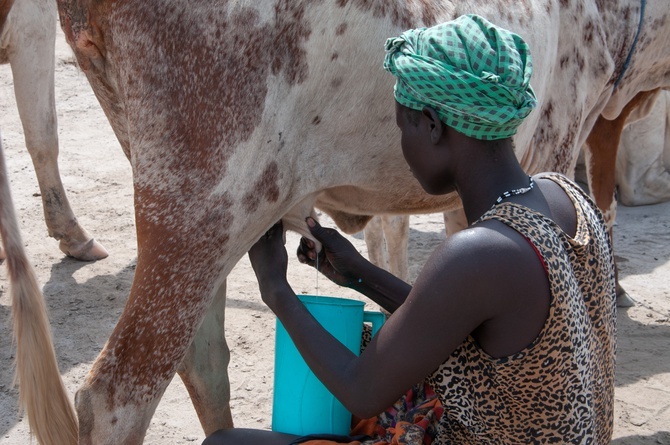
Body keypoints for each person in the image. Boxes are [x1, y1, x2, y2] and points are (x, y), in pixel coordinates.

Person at [204, 14, 616, 445]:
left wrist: (276, 290)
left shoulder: (481, 253)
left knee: (225, 444)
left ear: (434, 126)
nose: (403, 147)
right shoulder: (568, 197)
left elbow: (361, 390)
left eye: (404, 126)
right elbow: (452, 318)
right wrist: (358, 273)